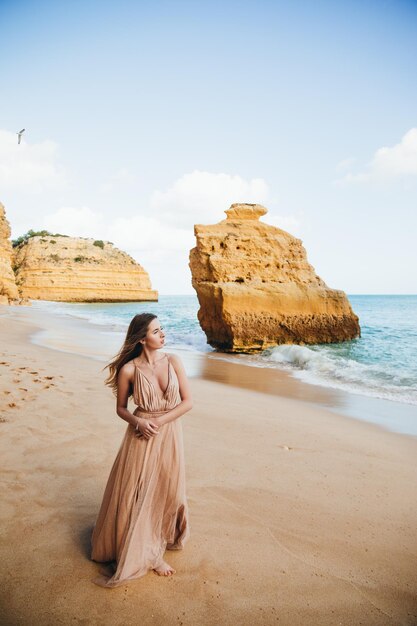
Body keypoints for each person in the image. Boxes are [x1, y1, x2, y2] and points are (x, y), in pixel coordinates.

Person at [90, 313, 192, 587]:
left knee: (168, 488)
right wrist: (139, 421)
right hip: (140, 435)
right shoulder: (129, 370)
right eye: (156, 331)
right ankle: (146, 553)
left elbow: (188, 402)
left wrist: (158, 420)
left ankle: (159, 538)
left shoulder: (174, 361)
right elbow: (121, 408)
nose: (163, 334)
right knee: (136, 492)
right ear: (142, 338)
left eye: (162, 329)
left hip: (168, 432)